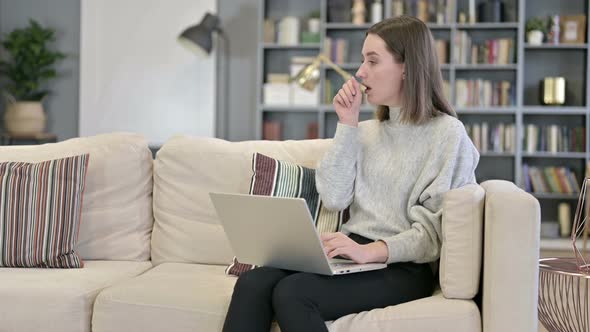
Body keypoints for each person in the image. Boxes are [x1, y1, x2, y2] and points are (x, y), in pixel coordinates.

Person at [223, 15, 479, 332]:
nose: (360, 72)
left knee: (294, 293)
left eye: (373, 60)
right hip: (351, 254)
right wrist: (348, 124)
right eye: (362, 60)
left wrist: (370, 251)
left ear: (407, 68)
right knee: (253, 282)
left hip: (402, 266)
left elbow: (431, 237)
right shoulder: (366, 131)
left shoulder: (448, 134)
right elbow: (333, 196)